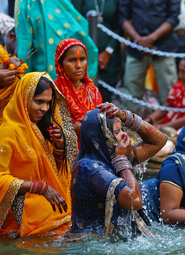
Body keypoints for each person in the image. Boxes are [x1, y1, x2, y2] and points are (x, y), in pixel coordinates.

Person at [0, 72, 78, 237]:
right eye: (39, 102)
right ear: (25, 98)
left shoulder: (38, 127)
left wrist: (58, 147)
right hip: (23, 213)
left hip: (46, 207)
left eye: (48, 103)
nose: (45, 108)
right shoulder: (9, 131)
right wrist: (40, 188)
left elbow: (52, 174)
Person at [71, 103, 167, 235]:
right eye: (117, 132)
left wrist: (126, 116)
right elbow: (134, 201)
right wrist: (121, 159)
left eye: (122, 129)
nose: (124, 136)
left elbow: (160, 140)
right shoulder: (88, 168)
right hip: (91, 243)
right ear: (102, 136)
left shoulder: (112, 154)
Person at [118, 0, 180, 113]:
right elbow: (122, 17)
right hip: (136, 48)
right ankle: (131, 127)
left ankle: (169, 128)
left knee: (170, 93)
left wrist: (150, 39)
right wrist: (139, 41)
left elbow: (173, 18)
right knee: (131, 94)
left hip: (163, 47)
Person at [15, 0, 98, 80]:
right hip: (43, 79)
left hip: (57, 78)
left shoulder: (27, 5)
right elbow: (24, 46)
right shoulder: (27, 4)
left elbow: (24, 46)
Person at [72, 0, 122, 102]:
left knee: (106, 97)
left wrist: (108, 51)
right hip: (83, 54)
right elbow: (75, 22)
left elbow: (120, 25)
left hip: (110, 55)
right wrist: (89, 55)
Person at [54, 38, 102, 139]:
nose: (79, 65)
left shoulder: (93, 92)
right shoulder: (53, 92)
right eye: (72, 60)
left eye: (82, 59)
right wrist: (72, 130)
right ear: (60, 63)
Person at [144, 57, 185, 130]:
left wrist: (157, 128)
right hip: (170, 127)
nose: (180, 76)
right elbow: (167, 106)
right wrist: (149, 119)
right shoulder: (180, 86)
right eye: (180, 71)